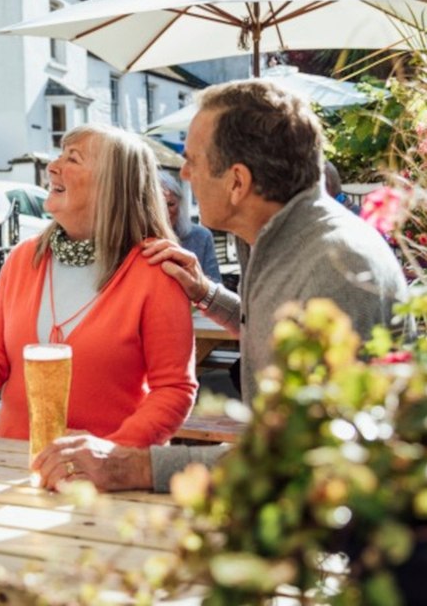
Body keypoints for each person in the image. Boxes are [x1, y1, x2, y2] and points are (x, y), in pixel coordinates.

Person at [33, 80, 407, 492]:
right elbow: (274, 330)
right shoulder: (283, 239)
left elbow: (305, 454)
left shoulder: (336, 268)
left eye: (192, 161)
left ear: (237, 183)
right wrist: (207, 295)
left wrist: (134, 467)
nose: (185, 174)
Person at [0, 125, 197, 450]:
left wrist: (115, 455)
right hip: (8, 461)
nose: (53, 166)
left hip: (99, 483)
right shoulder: (23, 258)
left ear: (111, 185)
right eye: (59, 155)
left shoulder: (156, 270)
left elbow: (173, 390)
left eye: (72, 158)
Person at [159, 170, 221, 283]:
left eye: (171, 204)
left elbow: (215, 285)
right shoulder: (138, 240)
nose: (165, 212)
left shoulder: (201, 237)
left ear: (180, 204)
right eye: (159, 206)